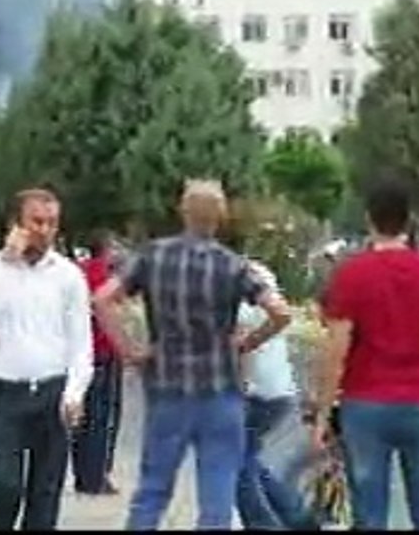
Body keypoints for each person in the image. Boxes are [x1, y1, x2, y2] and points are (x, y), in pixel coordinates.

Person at [92, 179, 292, 530]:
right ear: (222, 216)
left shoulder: (153, 256)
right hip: (220, 392)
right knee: (217, 497)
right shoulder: (233, 265)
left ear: (182, 211)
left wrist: (131, 351)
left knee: (152, 492)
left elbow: (102, 299)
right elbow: (281, 313)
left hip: (168, 388)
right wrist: (246, 343)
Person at [313, 176, 419, 530]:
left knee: (369, 508)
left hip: (365, 404)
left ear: (369, 219)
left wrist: (323, 413)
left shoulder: (351, 275)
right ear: (409, 220)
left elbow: (335, 350)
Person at [0, 188, 93, 531]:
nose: (44, 230)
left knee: (45, 492)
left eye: (51, 223)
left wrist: (75, 393)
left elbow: (81, 341)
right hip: (8, 390)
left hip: (52, 389)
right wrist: (8, 263)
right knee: (3, 484)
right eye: (36, 221)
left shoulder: (68, 276)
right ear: (16, 224)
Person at [234, 260, 315, 530]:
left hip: (258, 390)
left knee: (236, 465)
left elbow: (240, 341)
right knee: (249, 460)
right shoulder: (259, 274)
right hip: (279, 387)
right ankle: (297, 518)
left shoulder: (238, 280)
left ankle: (262, 524)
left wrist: (240, 387)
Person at [71, 231, 122, 497]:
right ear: (106, 249)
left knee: (83, 416)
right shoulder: (108, 276)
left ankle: (82, 473)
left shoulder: (77, 272)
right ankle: (97, 476)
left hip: (80, 350)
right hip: (104, 349)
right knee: (103, 418)